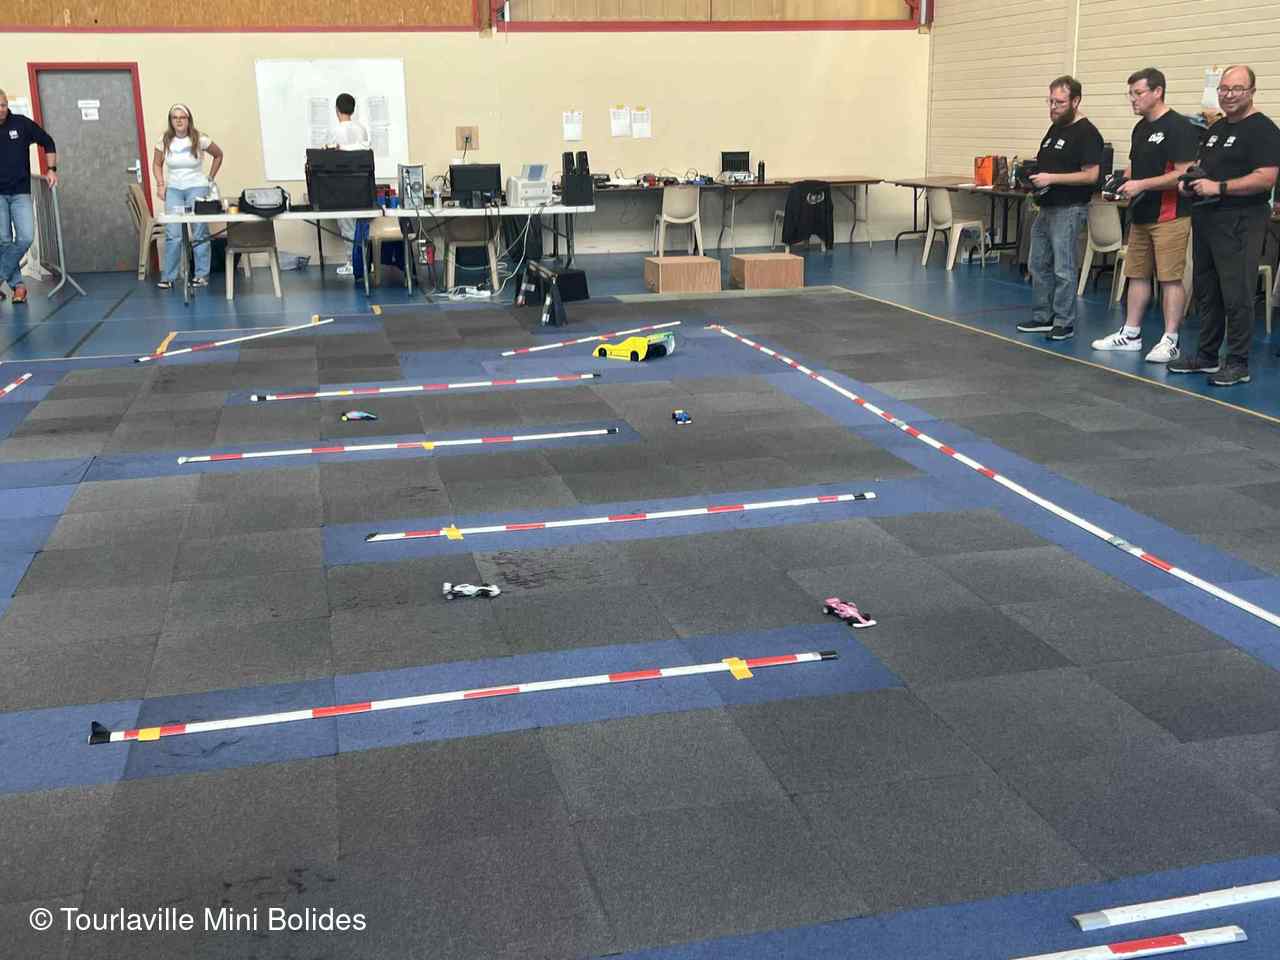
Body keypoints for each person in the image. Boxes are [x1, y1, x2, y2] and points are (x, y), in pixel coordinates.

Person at [1169, 65, 1280, 386]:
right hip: (1207, 218)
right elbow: (1202, 168)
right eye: (1224, 89)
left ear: (1252, 91)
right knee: (1208, 291)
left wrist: (1218, 188)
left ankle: (1238, 362)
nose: (1229, 95)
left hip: (1241, 219)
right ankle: (1207, 356)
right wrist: (1188, 182)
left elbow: (1266, 178)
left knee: (1236, 294)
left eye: (1237, 89)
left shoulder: (1263, 130)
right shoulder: (1216, 129)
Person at [1091, 67, 1198, 363]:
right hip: (1141, 214)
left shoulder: (1179, 127)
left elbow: (1184, 173)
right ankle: (1131, 333)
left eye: (1138, 93)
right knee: (1137, 274)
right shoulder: (1140, 128)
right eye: (1131, 93)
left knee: (1170, 278)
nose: (1133, 99)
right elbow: (1134, 166)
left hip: (1170, 215)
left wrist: (1141, 184)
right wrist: (1120, 183)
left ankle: (1171, 339)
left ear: (1157, 91)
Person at [1017, 75, 1105, 342]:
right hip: (1046, 206)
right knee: (1037, 263)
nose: (1053, 107)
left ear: (1075, 101)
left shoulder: (1087, 133)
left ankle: (1064, 321)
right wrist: (1033, 175)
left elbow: (1091, 175)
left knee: (1063, 267)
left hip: (1069, 208)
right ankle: (1043, 316)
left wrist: (1052, 179)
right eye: (1051, 101)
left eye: (1060, 102)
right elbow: (1046, 163)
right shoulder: (1054, 129)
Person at [152, 104, 222, 290]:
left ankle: (201, 275)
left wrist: (210, 178)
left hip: (196, 187)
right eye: (175, 118)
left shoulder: (200, 139)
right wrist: (160, 184)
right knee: (173, 234)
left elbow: (218, 155)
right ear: (171, 121)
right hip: (174, 189)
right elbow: (157, 164)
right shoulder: (164, 140)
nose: (179, 121)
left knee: (199, 232)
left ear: (188, 119)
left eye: (182, 117)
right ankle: (169, 277)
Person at [0, 88, 58, 305]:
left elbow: (48, 142)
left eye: (3, 105)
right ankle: (19, 287)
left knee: (25, 237)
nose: (0, 109)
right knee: (4, 241)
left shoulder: (21, 124)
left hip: (20, 192)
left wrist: (51, 170)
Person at [329, 93, 370, 277]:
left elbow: (328, 157)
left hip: (342, 186)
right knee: (361, 226)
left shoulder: (334, 131)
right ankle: (366, 261)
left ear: (337, 110)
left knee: (346, 226)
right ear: (353, 109)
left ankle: (353, 262)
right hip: (361, 186)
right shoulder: (362, 129)